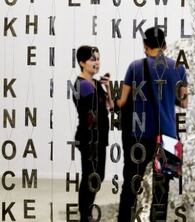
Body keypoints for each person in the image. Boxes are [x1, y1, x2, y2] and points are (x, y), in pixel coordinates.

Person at [116, 27, 188, 222]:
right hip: (167, 136)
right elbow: (184, 102)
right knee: (161, 188)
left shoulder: (135, 67)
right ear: (164, 45)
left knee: (131, 184)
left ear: (145, 46)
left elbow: (122, 101)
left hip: (138, 135)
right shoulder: (178, 68)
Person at [72, 45, 113, 222]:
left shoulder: (96, 83)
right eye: (92, 59)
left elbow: (110, 107)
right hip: (88, 138)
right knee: (90, 176)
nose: (96, 63)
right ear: (82, 62)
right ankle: (85, 214)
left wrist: (108, 89)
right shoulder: (81, 85)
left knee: (98, 175)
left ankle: (86, 211)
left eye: (97, 58)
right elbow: (93, 108)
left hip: (100, 138)